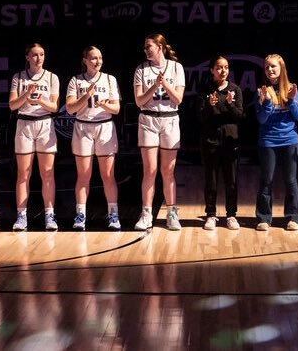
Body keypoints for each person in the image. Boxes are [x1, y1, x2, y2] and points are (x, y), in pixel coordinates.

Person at [65, 46, 122, 230]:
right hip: (83, 127)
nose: (97, 61)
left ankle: (113, 214)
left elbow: (116, 109)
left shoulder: (109, 79)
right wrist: (86, 96)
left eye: (100, 58)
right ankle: (80, 215)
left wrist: (105, 106)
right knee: (83, 176)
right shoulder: (76, 80)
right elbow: (70, 108)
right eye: (93, 58)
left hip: (104, 127)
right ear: (85, 60)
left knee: (108, 175)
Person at [132, 34, 186, 231]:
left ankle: (172, 212)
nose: (146, 50)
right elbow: (139, 101)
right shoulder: (141, 70)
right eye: (145, 47)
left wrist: (164, 84)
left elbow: (178, 99)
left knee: (168, 170)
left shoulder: (176, 67)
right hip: (148, 119)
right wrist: (154, 85)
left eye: (149, 46)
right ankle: (146, 213)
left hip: (170, 118)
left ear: (160, 47)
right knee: (150, 170)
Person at [8, 44, 62, 231]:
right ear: (27, 57)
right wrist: (27, 94)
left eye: (42, 54)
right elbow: (13, 105)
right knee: (23, 173)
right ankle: (21, 216)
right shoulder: (19, 77)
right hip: (24, 124)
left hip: (45, 123)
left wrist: (40, 100)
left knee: (47, 173)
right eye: (35, 55)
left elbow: (55, 107)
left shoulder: (51, 77)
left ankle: (49, 215)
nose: (39, 58)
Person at [255, 54, 298, 231]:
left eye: (273, 66)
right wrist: (266, 103)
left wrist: (290, 101)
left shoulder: (291, 88)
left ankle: (293, 217)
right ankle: (264, 218)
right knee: (266, 180)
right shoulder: (262, 91)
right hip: (268, 141)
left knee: (290, 180)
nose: (269, 70)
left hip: (289, 139)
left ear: (281, 68)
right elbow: (260, 119)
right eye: (267, 67)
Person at [196, 55, 244, 230]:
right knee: (211, 180)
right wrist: (209, 105)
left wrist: (230, 105)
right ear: (212, 70)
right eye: (219, 67)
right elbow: (200, 117)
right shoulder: (205, 90)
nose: (223, 70)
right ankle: (211, 214)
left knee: (231, 181)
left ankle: (231, 215)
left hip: (230, 142)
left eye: (226, 67)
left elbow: (239, 116)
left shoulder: (235, 90)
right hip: (210, 141)